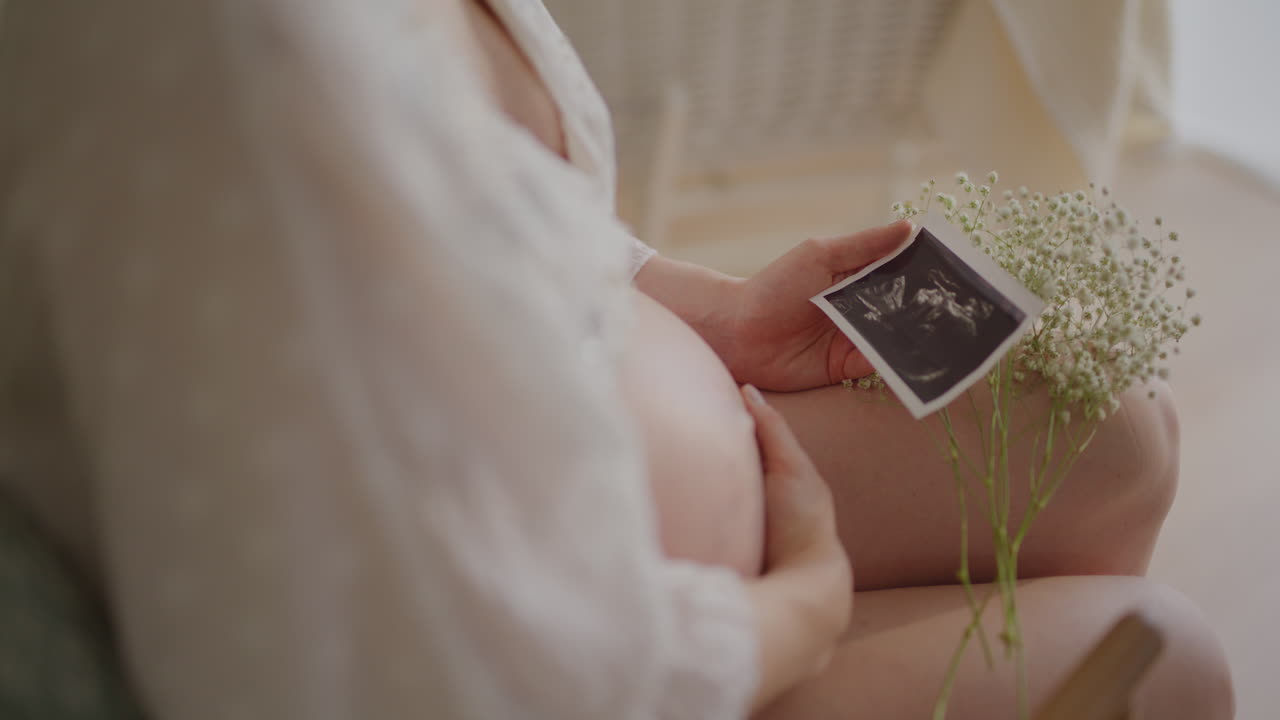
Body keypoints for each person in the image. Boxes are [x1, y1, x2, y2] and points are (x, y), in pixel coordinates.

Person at [0, 0, 1232, 718]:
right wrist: (784, 624)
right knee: (1159, 654)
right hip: (590, 647)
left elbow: (465, 193)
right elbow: (402, 669)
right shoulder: (214, 57)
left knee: (1114, 437)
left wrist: (698, 308)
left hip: (622, 480)